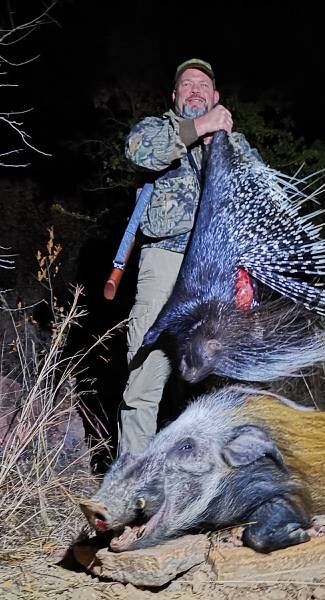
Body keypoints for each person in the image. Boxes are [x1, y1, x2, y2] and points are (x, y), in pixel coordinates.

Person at [117, 58, 258, 456]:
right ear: (175, 96)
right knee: (146, 372)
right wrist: (200, 128)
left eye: (203, 84)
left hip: (218, 268)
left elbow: (256, 195)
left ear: (215, 97)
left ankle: (203, 486)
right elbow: (137, 152)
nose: (194, 88)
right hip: (165, 257)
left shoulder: (237, 143)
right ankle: (132, 483)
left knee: (210, 376)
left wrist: (245, 273)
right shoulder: (158, 131)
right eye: (186, 83)